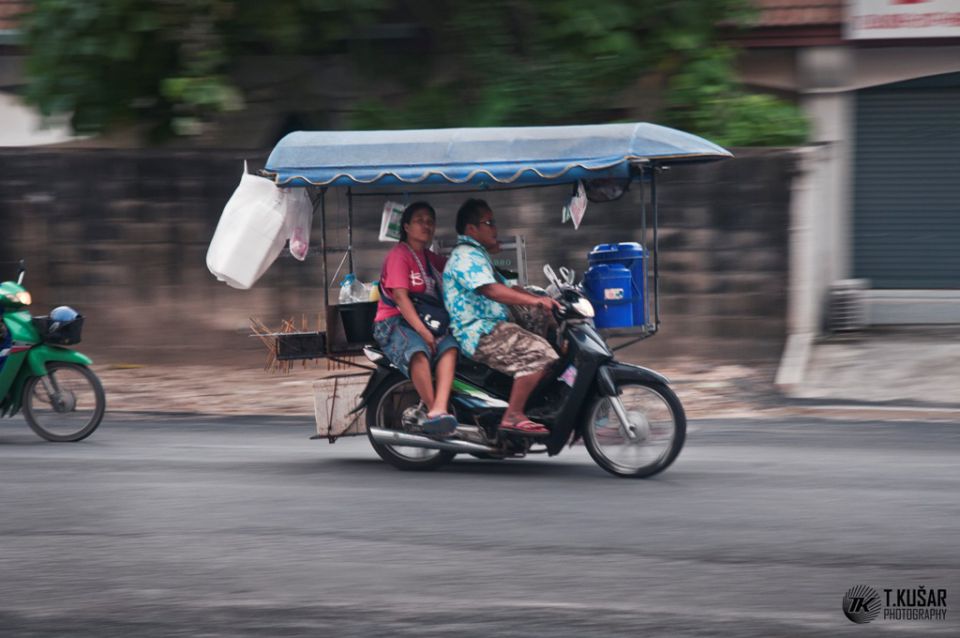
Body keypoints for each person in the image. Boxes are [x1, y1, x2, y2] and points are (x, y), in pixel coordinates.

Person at [442, 198, 561, 437]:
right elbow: (491, 290)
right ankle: (513, 416)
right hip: (480, 332)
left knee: (549, 327)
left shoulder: (478, 254)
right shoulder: (465, 255)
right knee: (541, 353)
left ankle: (538, 403)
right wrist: (534, 301)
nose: (495, 228)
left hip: (493, 327)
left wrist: (544, 299)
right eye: (490, 223)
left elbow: (509, 288)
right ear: (472, 229)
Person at [372, 202, 459, 436]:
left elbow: (456, 271)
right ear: (407, 226)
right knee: (418, 350)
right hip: (394, 322)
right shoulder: (399, 255)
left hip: (423, 321)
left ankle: (442, 406)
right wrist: (423, 332)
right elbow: (400, 298)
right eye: (419, 220)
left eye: (430, 221)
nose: (426, 225)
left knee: (450, 347)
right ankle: (434, 412)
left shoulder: (430, 258)